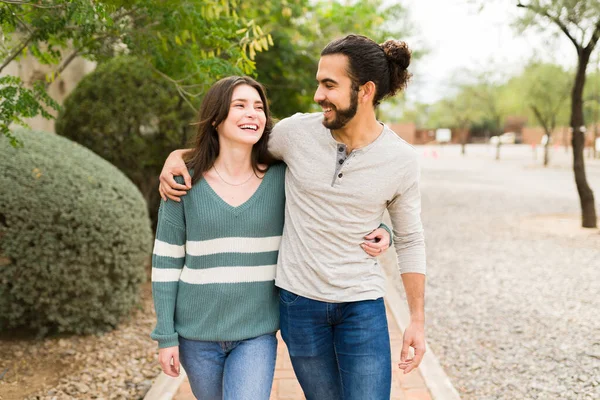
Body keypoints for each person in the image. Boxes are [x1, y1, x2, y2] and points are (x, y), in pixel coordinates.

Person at [159, 34, 426, 400]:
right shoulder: (294, 133)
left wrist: (416, 319)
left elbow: (411, 237)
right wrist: (181, 155)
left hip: (361, 302)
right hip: (299, 304)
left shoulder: (402, 160)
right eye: (319, 82)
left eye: (329, 85)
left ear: (365, 91)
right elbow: (235, 146)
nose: (318, 95)